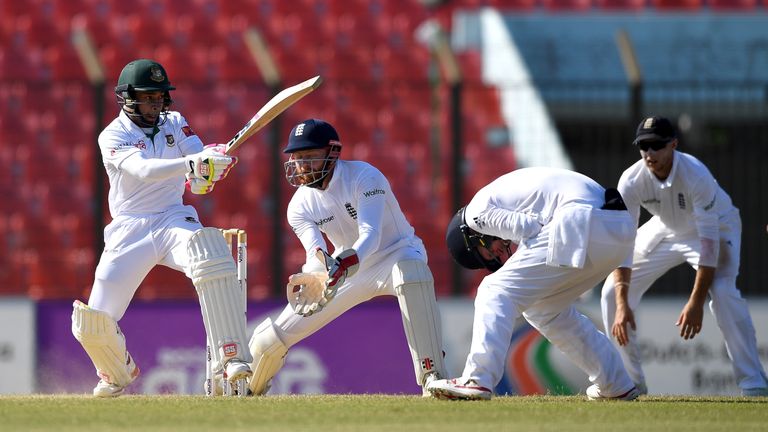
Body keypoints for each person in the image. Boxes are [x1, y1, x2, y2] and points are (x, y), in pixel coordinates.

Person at [71, 59, 253, 397]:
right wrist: (192, 164)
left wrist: (210, 171)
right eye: (148, 96)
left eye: (160, 96)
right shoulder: (113, 135)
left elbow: (198, 178)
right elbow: (143, 170)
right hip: (130, 227)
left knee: (208, 253)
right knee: (91, 322)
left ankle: (231, 358)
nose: (156, 103)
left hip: (172, 218)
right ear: (127, 97)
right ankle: (116, 373)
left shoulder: (176, 122)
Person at [246, 119, 446, 396]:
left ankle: (432, 377)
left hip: (394, 253)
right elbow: (315, 251)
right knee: (267, 343)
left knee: (412, 273)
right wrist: (316, 274)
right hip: (345, 269)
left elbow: (371, 234)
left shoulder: (364, 176)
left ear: (333, 153)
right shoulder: (298, 205)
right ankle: (245, 393)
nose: (302, 165)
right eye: (298, 157)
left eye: (310, 156)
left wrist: (344, 262)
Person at [427, 167, 640, 401]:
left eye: (487, 255)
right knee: (543, 310)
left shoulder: (475, 213)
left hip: (580, 221)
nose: (498, 255)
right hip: (619, 232)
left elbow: (530, 230)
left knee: (493, 290)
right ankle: (615, 384)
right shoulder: (500, 197)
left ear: (470, 237)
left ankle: (477, 379)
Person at [600, 116, 768, 396]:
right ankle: (629, 384)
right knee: (609, 295)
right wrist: (622, 302)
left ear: (674, 144)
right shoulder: (631, 180)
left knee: (724, 294)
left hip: (717, 227)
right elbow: (623, 241)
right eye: (643, 146)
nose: (649, 154)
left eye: (656, 146)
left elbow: (709, 245)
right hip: (665, 227)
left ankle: (754, 383)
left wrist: (696, 302)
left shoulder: (696, 175)